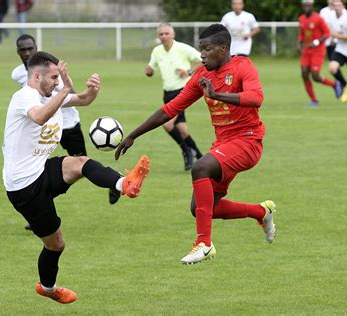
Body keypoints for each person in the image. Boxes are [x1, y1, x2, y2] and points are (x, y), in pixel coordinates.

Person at [115, 24, 276, 265]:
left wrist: (217, 95)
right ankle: (260, 212)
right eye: (200, 49)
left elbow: (256, 98)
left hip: (248, 141)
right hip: (224, 144)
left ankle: (204, 244)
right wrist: (134, 134)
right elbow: (171, 109)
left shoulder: (243, 66)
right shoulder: (202, 76)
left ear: (223, 48)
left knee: (200, 167)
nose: (201, 54)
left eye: (206, 49)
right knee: (203, 208)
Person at [3, 51, 150, 303]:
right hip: (24, 187)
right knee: (56, 244)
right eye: (53, 77)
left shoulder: (50, 94)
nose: (56, 82)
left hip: (40, 169)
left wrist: (92, 89)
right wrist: (64, 89)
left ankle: (124, 184)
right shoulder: (24, 97)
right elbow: (39, 116)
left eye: (58, 78)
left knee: (80, 163)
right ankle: (47, 288)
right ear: (36, 76)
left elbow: (83, 99)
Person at [11, 35, 121, 221]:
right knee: (40, 167)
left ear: (36, 47)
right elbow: (34, 108)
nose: (27, 52)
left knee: (82, 164)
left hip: (67, 125)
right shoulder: (18, 75)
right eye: (23, 50)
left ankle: (113, 180)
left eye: (30, 48)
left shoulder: (53, 73)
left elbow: (75, 96)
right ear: (18, 52)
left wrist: (90, 90)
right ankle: (38, 209)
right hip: (41, 130)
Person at [145, 23, 203, 171]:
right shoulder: (157, 51)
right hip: (168, 93)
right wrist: (149, 71)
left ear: (173, 34)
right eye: (161, 34)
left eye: (166, 33)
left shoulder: (182, 48)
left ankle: (186, 151)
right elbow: (151, 68)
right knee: (183, 131)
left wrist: (189, 72)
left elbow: (202, 59)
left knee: (167, 124)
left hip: (183, 92)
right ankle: (201, 157)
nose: (164, 36)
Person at [298, 0, 342, 106]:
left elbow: (327, 33)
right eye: (304, 5)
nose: (306, 7)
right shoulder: (301, 18)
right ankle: (314, 100)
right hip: (307, 50)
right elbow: (302, 34)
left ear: (312, 6)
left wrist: (317, 41)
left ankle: (334, 84)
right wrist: (299, 44)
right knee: (304, 73)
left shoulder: (318, 18)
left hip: (318, 51)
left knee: (315, 75)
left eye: (308, 5)